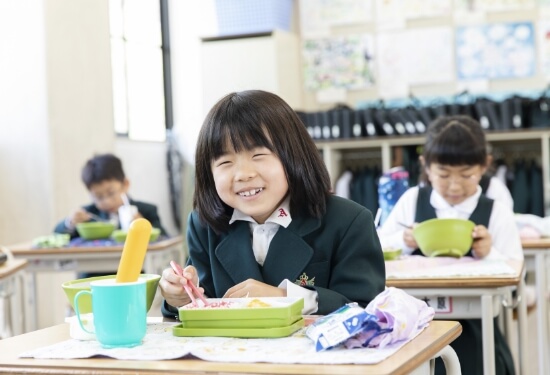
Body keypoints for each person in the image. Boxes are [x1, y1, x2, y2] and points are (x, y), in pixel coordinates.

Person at [159, 90, 385, 318]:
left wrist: (284, 297)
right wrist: (180, 298)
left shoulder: (348, 221)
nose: (243, 174)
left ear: (294, 155)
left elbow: (366, 308)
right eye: (225, 162)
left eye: (258, 155)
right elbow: (202, 300)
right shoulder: (204, 225)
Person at [378, 115, 523, 375]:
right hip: (416, 326)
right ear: (426, 166)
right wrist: (404, 240)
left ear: (484, 166)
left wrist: (489, 253)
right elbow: (377, 251)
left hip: (478, 331)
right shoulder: (413, 200)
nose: (454, 186)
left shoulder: (496, 211)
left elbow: (514, 279)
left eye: (467, 175)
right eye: (443, 175)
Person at [54, 153, 168, 277]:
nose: (107, 201)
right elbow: (56, 236)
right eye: (98, 197)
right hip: (94, 279)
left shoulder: (146, 210)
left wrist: (145, 227)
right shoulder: (88, 214)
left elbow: (164, 237)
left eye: (111, 193)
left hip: (136, 277)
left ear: (125, 184)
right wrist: (70, 223)